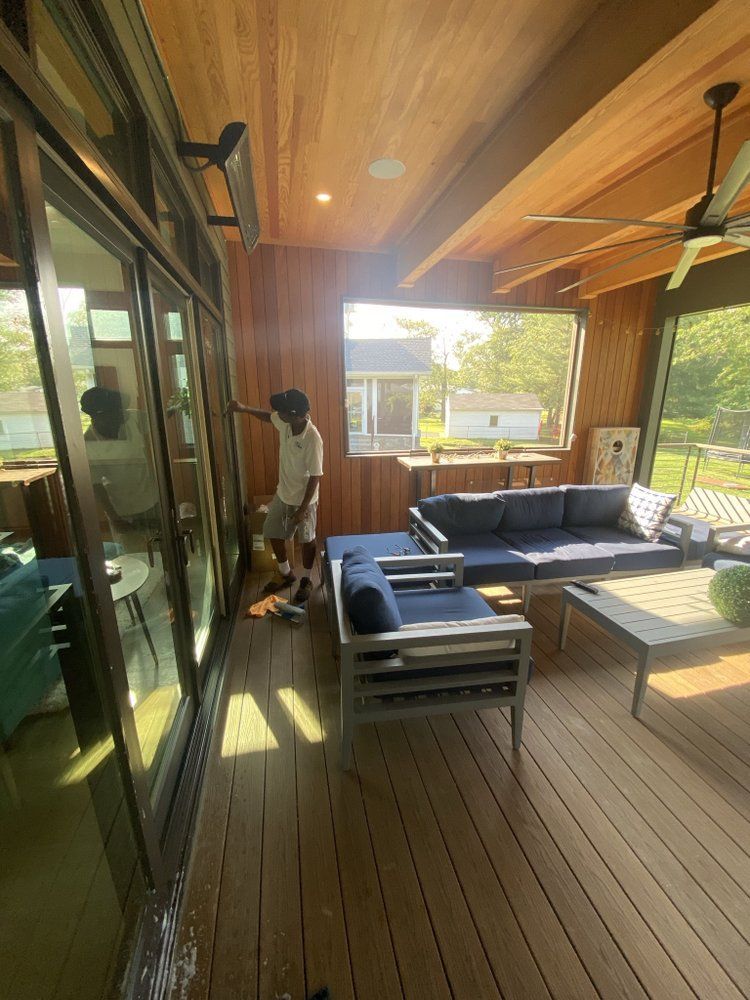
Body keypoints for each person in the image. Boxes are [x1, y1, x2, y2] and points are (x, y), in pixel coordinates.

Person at [226, 388, 323, 603]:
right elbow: (266, 417)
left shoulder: (312, 439)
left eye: (282, 411)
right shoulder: (287, 423)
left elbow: (315, 476)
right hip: (283, 494)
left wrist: (302, 509)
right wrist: (243, 408)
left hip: (304, 501)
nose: (277, 414)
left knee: (307, 540)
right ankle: (286, 573)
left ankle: (306, 580)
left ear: (295, 414)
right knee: (272, 530)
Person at [80, 387, 161, 550]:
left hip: (151, 500)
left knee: (160, 547)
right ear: (98, 416)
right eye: (117, 412)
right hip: (123, 509)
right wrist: (114, 517)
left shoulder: (134, 418)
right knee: (135, 554)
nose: (123, 415)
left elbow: (160, 418)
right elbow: (96, 485)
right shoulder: (89, 443)